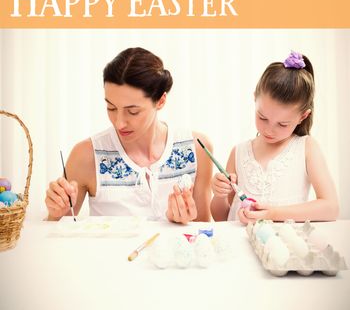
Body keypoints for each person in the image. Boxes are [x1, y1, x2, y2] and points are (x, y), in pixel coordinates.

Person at [45, 47, 213, 224]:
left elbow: (204, 230)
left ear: (161, 101)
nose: (119, 123)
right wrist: (56, 213)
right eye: (111, 108)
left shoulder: (197, 148)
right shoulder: (86, 155)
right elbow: (59, 234)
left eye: (132, 111)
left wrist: (183, 223)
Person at [211, 51, 339, 224]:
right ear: (254, 99)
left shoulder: (306, 147)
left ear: (303, 116)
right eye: (262, 117)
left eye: (282, 124)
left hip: (284, 248)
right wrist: (219, 195)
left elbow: (330, 208)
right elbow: (222, 218)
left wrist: (272, 214)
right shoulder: (239, 152)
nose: (269, 130)